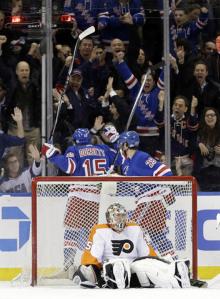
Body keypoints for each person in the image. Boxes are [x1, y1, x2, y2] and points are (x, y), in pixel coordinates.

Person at [72, 202, 191, 289]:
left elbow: (147, 254)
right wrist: (90, 271)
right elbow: (92, 257)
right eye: (117, 217)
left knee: (152, 270)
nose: (120, 220)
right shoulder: (100, 230)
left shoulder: (134, 228)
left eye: (122, 216)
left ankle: (176, 273)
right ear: (109, 218)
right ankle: (118, 275)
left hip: (134, 266)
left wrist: (157, 263)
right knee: (115, 267)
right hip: (111, 265)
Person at [41, 128, 117, 176]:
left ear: (75, 141)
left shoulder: (73, 150)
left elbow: (69, 167)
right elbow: (119, 158)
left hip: (79, 192)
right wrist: (116, 140)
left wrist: (53, 155)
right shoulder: (103, 148)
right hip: (99, 193)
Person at [193, 107, 220, 191]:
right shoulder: (199, 133)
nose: (209, 117)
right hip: (204, 172)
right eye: (207, 115)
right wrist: (199, 144)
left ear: (217, 117)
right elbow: (191, 145)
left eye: (212, 115)